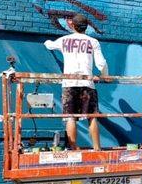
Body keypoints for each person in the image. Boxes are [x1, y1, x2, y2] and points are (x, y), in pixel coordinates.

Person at [44, 14, 108, 150]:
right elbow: (101, 63)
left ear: (72, 25)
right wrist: (103, 76)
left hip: (69, 84)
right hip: (87, 83)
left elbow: (49, 45)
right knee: (92, 117)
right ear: (87, 26)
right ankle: (97, 148)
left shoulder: (64, 40)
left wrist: (46, 42)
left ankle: (73, 148)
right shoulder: (93, 42)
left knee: (71, 117)